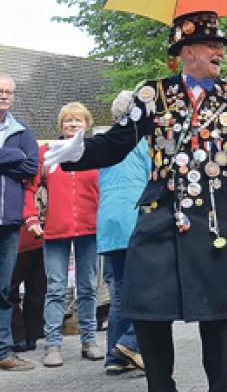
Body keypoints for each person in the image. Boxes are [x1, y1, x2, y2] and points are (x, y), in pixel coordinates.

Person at [42, 10, 227, 392]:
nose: (219, 52)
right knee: (147, 309)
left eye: (220, 46)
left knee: (219, 317)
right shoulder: (153, 93)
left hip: (217, 221)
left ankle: (219, 388)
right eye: (212, 45)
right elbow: (118, 142)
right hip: (163, 216)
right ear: (187, 51)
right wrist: (78, 152)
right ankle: (161, 386)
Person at [24, 102, 102, 368]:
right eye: (68, 121)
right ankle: (53, 344)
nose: (73, 125)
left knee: (88, 287)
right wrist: (31, 217)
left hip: (89, 228)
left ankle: (89, 340)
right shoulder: (46, 153)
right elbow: (29, 188)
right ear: (60, 125)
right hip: (55, 230)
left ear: (87, 124)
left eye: (78, 121)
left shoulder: (95, 152)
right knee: (55, 288)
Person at [96, 132, 150, 375]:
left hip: (109, 223)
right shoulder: (141, 143)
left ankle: (114, 358)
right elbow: (156, 178)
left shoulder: (106, 143)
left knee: (118, 293)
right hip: (134, 219)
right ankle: (129, 343)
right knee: (148, 288)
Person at [0, 73, 40, 372]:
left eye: (9, 92)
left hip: (10, 221)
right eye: (0, 91)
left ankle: (4, 352)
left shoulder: (21, 129)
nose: (4, 96)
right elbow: (20, 162)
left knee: (4, 288)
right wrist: (12, 157)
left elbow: (31, 166)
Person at [9, 226, 44, 354]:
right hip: (39, 239)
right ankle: (31, 337)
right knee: (36, 292)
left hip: (16, 241)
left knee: (10, 292)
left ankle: (18, 337)